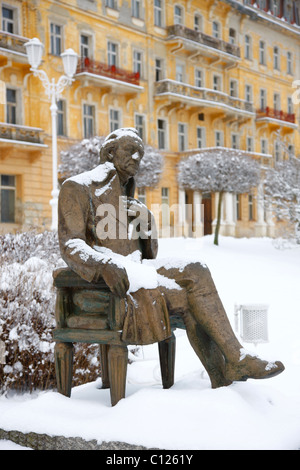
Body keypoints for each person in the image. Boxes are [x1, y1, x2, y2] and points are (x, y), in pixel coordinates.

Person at [58, 128, 284, 389]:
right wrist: (104, 264)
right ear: (110, 152)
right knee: (190, 295)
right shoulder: (78, 186)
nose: (136, 157)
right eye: (130, 150)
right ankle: (230, 368)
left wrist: (147, 222)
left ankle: (232, 365)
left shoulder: (128, 196)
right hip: (113, 281)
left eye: (140, 153)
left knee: (196, 271)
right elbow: (71, 244)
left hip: (138, 270)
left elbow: (149, 254)